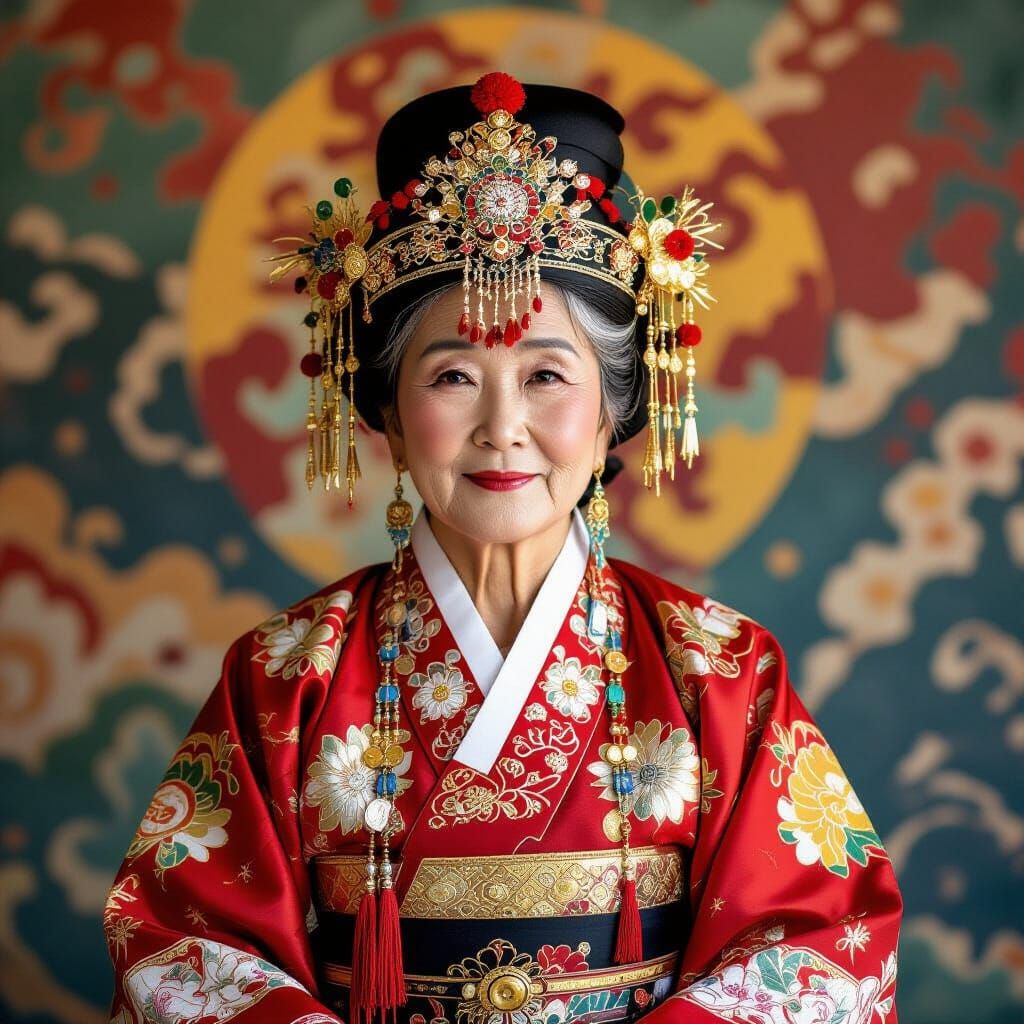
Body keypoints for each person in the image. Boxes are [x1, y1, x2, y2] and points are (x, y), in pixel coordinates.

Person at [104, 72, 902, 1024]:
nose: (503, 427)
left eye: (547, 376)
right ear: (391, 420)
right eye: (451, 376)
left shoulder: (722, 671)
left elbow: (820, 944)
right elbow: (183, 943)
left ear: (614, 413)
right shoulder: (285, 678)